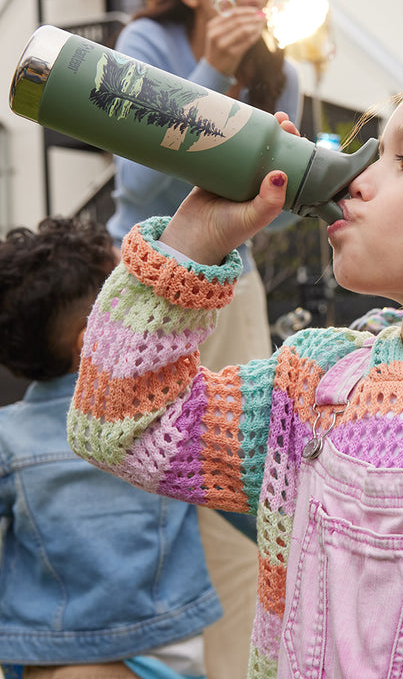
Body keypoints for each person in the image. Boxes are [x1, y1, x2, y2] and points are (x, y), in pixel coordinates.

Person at [67, 72, 403, 679]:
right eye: (368, 156)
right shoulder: (309, 387)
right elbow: (122, 423)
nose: (356, 180)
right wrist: (194, 241)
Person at [107, 0, 301, 679]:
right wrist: (206, 77)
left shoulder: (272, 66)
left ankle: (238, 664)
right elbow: (139, 187)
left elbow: (266, 188)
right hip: (152, 277)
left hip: (233, 279)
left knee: (231, 476)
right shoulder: (145, 49)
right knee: (132, 465)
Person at [0, 216, 222, 679]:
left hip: (51, 645)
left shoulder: (8, 437)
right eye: (132, 301)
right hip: (164, 644)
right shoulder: (169, 417)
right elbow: (247, 496)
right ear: (90, 344)